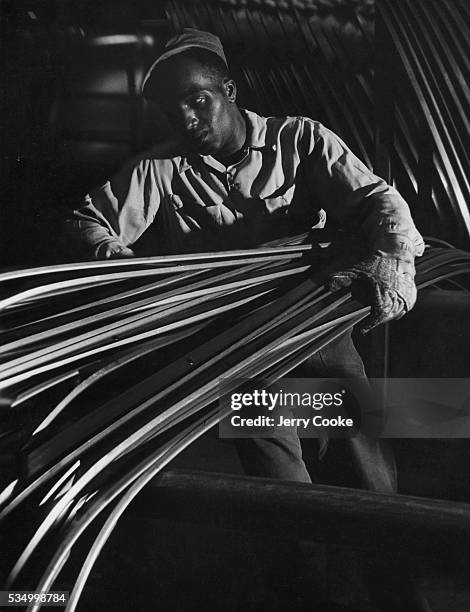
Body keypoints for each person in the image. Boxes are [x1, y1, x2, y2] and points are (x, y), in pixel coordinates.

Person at [69, 29, 429, 610]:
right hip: (239, 353)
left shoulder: (301, 140)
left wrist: (391, 256)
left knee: (364, 471)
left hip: (315, 337)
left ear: (229, 90)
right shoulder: (162, 168)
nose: (186, 118)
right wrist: (136, 270)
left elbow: (378, 201)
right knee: (280, 491)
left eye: (198, 100)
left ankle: (400, 595)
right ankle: (309, 598)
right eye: (172, 108)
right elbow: (90, 220)